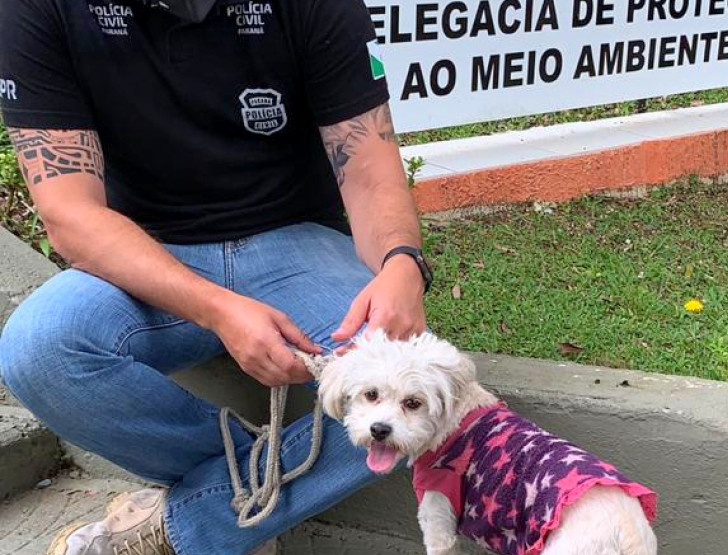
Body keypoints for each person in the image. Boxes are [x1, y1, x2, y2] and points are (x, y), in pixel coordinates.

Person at [0, 0, 433, 553]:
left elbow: (370, 174)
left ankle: (177, 526)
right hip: (146, 254)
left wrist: (401, 262)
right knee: (38, 351)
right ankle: (242, 498)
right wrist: (217, 308)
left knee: (415, 390)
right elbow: (70, 215)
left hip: (296, 241)